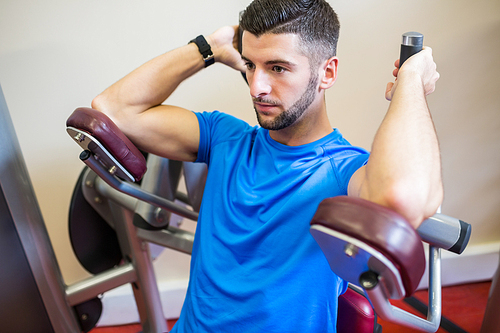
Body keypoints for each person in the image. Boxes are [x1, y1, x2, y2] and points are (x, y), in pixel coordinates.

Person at [91, 0, 443, 331]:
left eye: (277, 68)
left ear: (327, 73)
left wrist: (409, 83)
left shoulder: (344, 169)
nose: (256, 87)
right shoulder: (224, 136)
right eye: (250, 65)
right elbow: (112, 109)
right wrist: (208, 48)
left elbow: (403, 197)